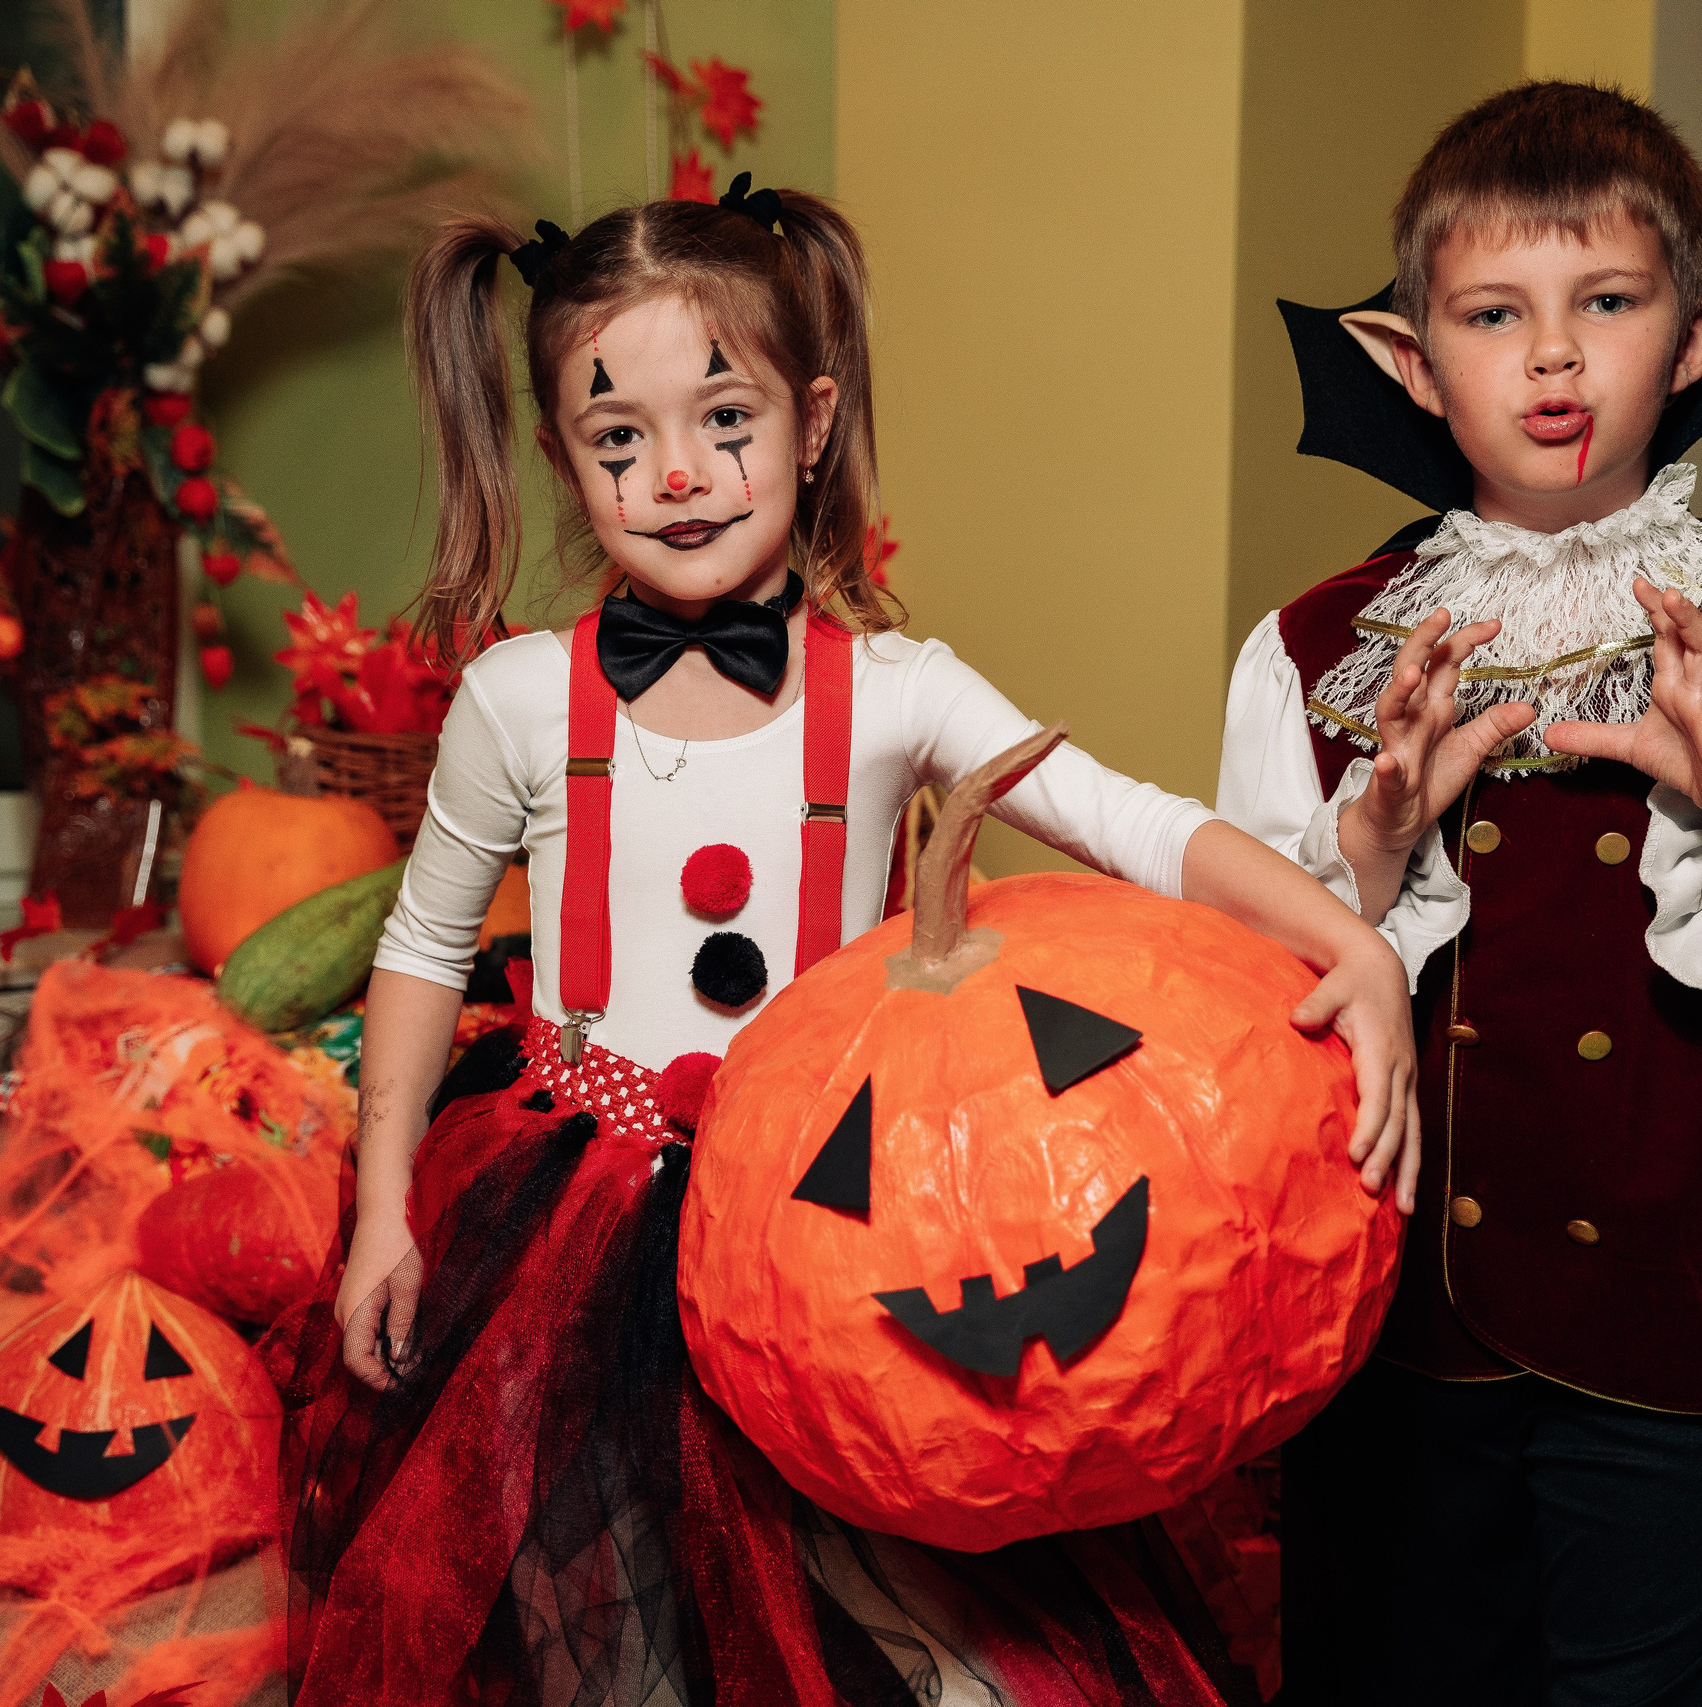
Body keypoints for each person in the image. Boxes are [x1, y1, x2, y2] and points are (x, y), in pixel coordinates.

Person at [270, 177, 1419, 1707]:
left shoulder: (895, 688)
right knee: (612, 1644)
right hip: (581, 1228)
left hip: (839, 1217)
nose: (679, 475)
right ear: (564, 455)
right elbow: (422, 946)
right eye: (622, 439)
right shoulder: (519, 700)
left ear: (812, 425)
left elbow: (1127, 821)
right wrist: (385, 1209)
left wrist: (1357, 944)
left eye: (725, 420)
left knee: (905, 1635)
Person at [1221, 84, 1702, 1705]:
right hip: (1399, 1323)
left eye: (1606, 303)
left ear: (1700, 331)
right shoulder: (1316, 655)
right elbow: (1247, 994)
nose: (1553, 358)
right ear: (1409, 359)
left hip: (1679, 1323)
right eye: (1495, 314)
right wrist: (1378, 847)